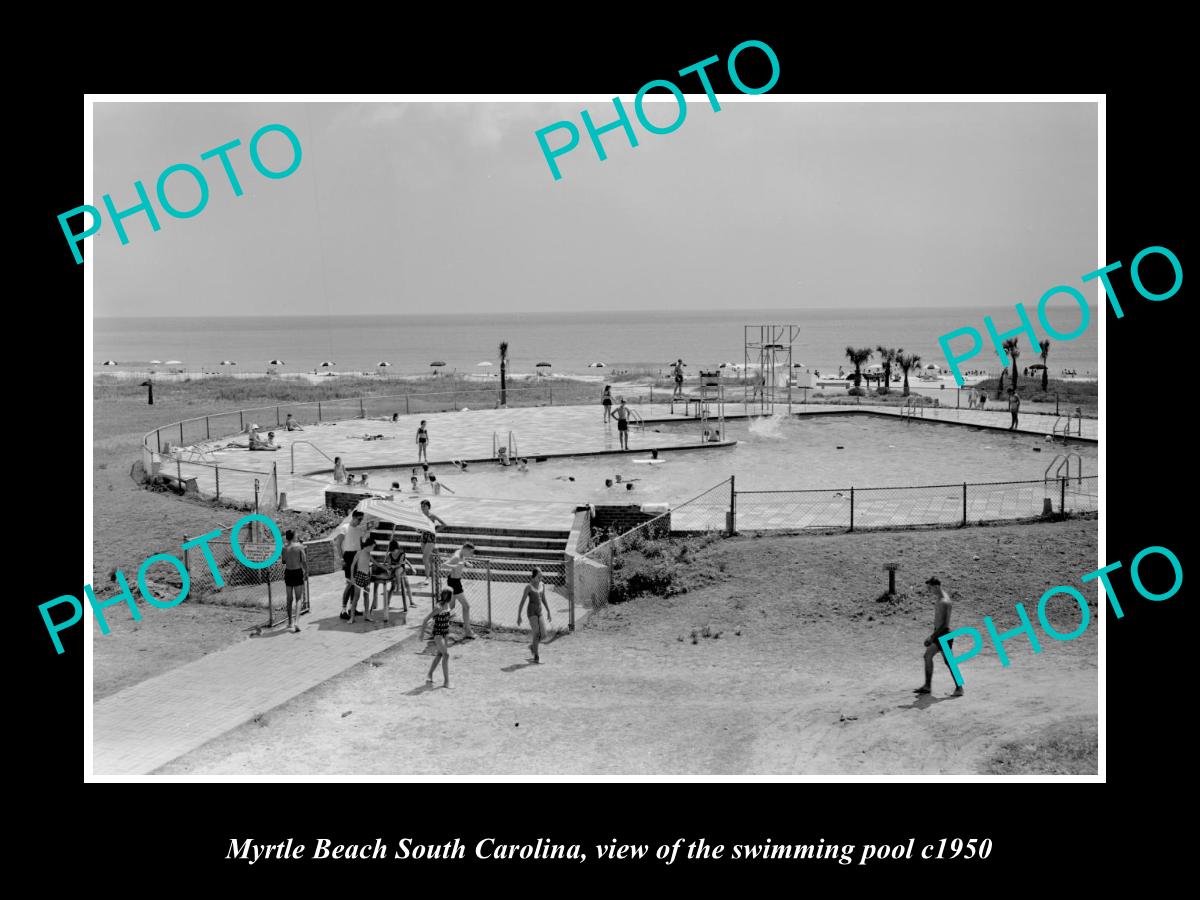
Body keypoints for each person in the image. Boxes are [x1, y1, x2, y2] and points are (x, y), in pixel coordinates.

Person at [915, 576, 963, 696]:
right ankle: (927, 686)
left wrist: (932, 637)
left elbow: (945, 625)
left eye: (930, 588)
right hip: (940, 633)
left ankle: (959, 688)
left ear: (936, 587)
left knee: (948, 662)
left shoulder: (944, 602)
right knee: (927, 656)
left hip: (944, 634)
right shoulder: (941, 597)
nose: (928, 590)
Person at [337, 510, 375, 620]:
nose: (360, 521)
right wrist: (341, 558)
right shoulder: (344, 528)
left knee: (356, 584)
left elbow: (361, 544)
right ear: (353, 517)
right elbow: (338, 543)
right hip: (348, 556)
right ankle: (343, 610)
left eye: (361, 519)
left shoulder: (358, 530)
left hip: (357, 555)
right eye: (359, 519)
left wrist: (368, 530)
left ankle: (351, 608)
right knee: (350, 583)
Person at [371, 539, 413, 622]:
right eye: (392, 551)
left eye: (394, 550)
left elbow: (401, 564)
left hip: (401, 568)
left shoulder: (402, 554)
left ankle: (399, 586)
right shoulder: (390, 555)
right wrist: (388, 567)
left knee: (397, 573)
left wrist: (394, 567)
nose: (393, 552)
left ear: (397, 549)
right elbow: (389, 563)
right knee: (389, 578)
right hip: (393, 568)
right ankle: (387, 601)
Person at [419, 588, 454, 688]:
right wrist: (422, 634)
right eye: (444, 594)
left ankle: (429, 674)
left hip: (445, 632)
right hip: (438, 633)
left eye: (447, 594)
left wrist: (450, 618)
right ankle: (446, 682)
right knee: (446, 655)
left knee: (440, 654)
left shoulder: (448, 605)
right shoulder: (438, 607)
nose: (445, 596)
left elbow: (444, 618)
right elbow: (425, 619)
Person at [517, 567, 552, 663]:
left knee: (544, 635)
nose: (541, 578)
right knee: (536, 633)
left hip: (539, 611)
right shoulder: (528, 587)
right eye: (539, 576)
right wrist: (519, 615)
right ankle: (536, 655)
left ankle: (533, 646)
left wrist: (548, 611)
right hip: (531, 612)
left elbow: (543, 598)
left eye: (541, 576)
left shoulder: (542, 585)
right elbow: (522, 601)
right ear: (534, 577)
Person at [444, 543, 476, 639]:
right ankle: (468, 631)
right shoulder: (457, 556)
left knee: (451, 607)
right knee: (466, 606)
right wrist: (455, 566)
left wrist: (466, 563)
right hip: (454, 584)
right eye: (470, 553)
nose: (471, 555)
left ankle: (437, 626)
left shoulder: (460, 553)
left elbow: (462, 561)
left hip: (454, 581)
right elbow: (444, 565)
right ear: (466, 549)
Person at [282, 529, 307, 633]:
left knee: (289, 599)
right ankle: (296, 622)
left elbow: (283, 561)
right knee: (298, 598)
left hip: (288, 572)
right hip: (297, 572)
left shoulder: (284, 548)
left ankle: (289, 622)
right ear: (294, 536)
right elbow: (304, 561)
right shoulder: (299, 547)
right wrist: (306, 572)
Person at [348, 535, 377, 624]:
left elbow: (375, 563)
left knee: (366, 596)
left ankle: (367, 615)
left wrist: (384, 567)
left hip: (367, 576)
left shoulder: (369, 554)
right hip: (359, 576)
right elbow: (352, 565)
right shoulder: (359, 553)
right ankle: (352, 617)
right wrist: (352, 578)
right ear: (369, 545)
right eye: (373, 547)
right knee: (356, 597)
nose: (373, 549)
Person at [419, 500, 447, 588]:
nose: (422, 508)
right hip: (423, 537)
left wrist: (435, 531)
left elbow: (444, 524)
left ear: (428, 507)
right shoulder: (420, 516)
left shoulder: (432, 516)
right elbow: (419, 527)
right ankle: (434, 574)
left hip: (431, 537)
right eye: (421, 506)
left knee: (424, 558)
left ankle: (427, 578)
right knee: (428, 558)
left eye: (424, 506)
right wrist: (418, 529)